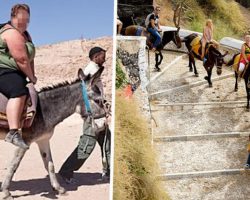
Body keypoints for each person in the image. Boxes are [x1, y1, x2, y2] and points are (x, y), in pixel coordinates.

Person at [59, 47, 111, 183]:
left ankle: (108, 172)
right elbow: (85, 95)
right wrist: (92, 113)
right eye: (102, 56)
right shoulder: (89, 71)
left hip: (99, 113)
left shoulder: (94, 69)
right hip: (93, 116)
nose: (105, 58)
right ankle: (66, 172)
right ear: (95, 57)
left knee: (107, 143)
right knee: (87, 145)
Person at [0, 4, 37, 149]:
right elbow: (21, 60)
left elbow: (29, 58)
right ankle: (13, 132)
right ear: (13, 17)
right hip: (3, 70)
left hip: (17, 72)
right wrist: (31, 78)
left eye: (26, 20)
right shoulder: (11, 33)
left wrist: (32, 76)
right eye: (20, 20)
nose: (23, 23)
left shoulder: (26, 35)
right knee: (19, 91)